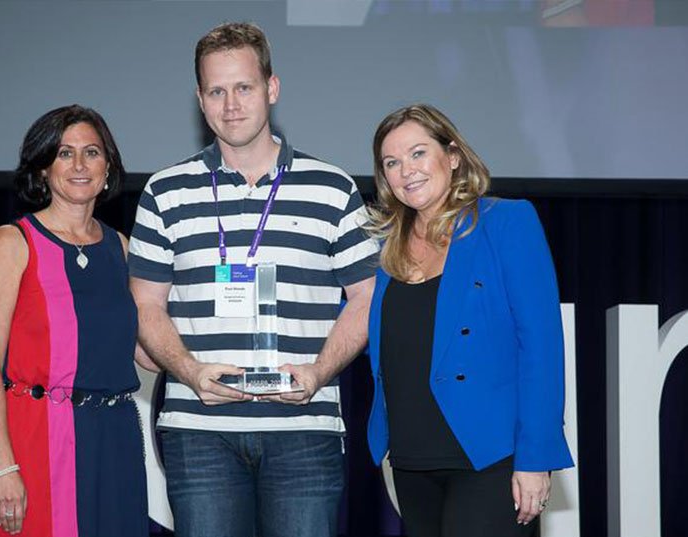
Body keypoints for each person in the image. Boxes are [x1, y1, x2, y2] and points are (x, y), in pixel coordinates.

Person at [128, 22, 378, 537]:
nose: (231, 105)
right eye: (216, 91)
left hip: (303, 429)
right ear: (200, 100)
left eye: (243, 87)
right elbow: (145, 306)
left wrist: (319, 371)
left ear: (272, 88)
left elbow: (367, 298)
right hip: (199, 432)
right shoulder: (164, 191)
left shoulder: (332, 188)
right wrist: (189, 371)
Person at [364, 103, 574, 537]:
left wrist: (535, 458)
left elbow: (541, 346)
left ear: (453, 156)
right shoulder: (387, 249)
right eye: (392, 162)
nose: (406, 170)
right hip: (411, 461)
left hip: (488, 458)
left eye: (418, 153)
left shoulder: (506, 223)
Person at [0, 104, 155, 536]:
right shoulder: (13, 243)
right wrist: (3, 466)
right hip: (36, 440)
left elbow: (147, 353)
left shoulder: (122, 249)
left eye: (91, 152)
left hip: (114, 442)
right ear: (43, 170)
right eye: (64, 153)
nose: (79, 165)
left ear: (108, 168)